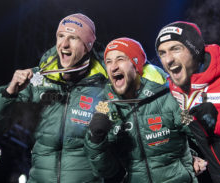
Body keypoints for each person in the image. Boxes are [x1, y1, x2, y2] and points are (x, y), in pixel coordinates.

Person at [0, 13, 108, 183]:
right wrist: (9, 93)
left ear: (88, 45)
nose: (64, 44)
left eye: (73, 38)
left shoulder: (105, 86)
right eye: (60, 36)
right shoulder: (37, 78)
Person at [155, 21, 220, 183]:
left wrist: (219, 121)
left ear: (195, 50)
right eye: (162, 53)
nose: (168, 59)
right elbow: (177, 133)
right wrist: (188, 155)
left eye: (175, 49)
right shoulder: (173, 91)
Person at [84, 37, 198, 183]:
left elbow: (198, 133)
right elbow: (106, 170)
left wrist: (201, 120)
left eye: (120, 59)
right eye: (109, 62)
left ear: (136, 64)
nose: (113, 67)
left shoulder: (167, 97)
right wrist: (96, 139)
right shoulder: (105, 107)